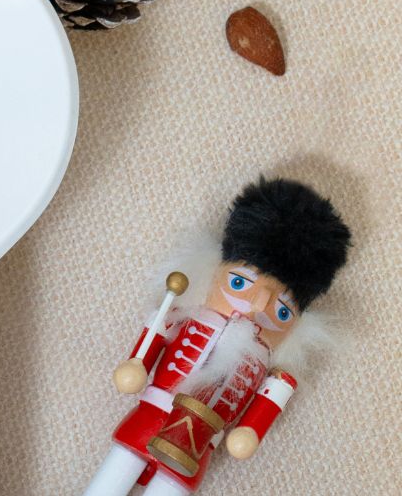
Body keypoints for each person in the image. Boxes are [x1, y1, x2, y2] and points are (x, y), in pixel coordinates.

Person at [82, 177, 351, 496]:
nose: (256, 306)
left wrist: (248, 433)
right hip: (151, 415)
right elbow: (150, 344)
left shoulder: (271, 370)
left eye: (281, 311)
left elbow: (260, 412)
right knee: (117, 470)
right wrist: (136, 366)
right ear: (213, 271)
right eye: (239, 284)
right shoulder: (179, 317)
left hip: (198, 447)